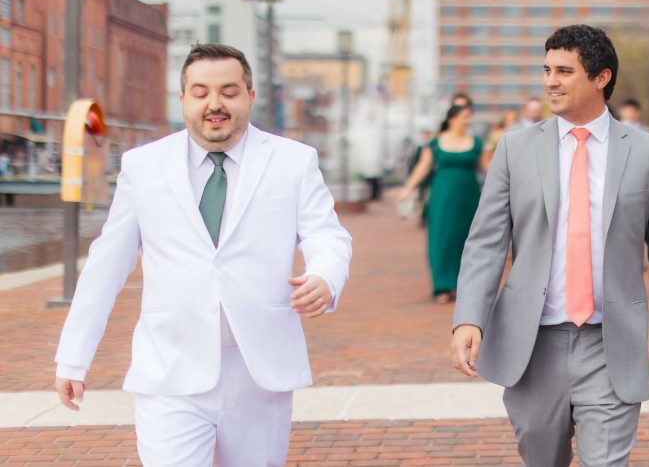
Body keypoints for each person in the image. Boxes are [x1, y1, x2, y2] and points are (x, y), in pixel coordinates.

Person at [53, 43, 353, 466]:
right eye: (201, 92)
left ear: (250, 95)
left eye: (229, 92)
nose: (215, 104)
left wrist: (325, 276)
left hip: (259, 373)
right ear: (183, 100)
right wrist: (73, 357)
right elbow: (107, 264)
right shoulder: (143, 166)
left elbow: (328, 235)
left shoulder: (293, 161)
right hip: (169, 370)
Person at [450, 24, 649, 466]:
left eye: (564, 71)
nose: (550, 82)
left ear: (601, 78)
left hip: (611, 343)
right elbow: (485, 243)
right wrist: (469, 317)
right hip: (533, 344)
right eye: (546, 70)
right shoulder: (515, 149)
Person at [399, 102, 486, 304]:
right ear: (452, 119)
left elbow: (487, 169)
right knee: (441, 238)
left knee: (464, 240)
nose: (468, 121)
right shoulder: (437, 143)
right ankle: (441, 285)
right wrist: (407, 189)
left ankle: (459, 285)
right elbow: (423, 168)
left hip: (468, 197)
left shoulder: (475, 142)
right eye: (465, 116)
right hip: (442, 197)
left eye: (469, 117)